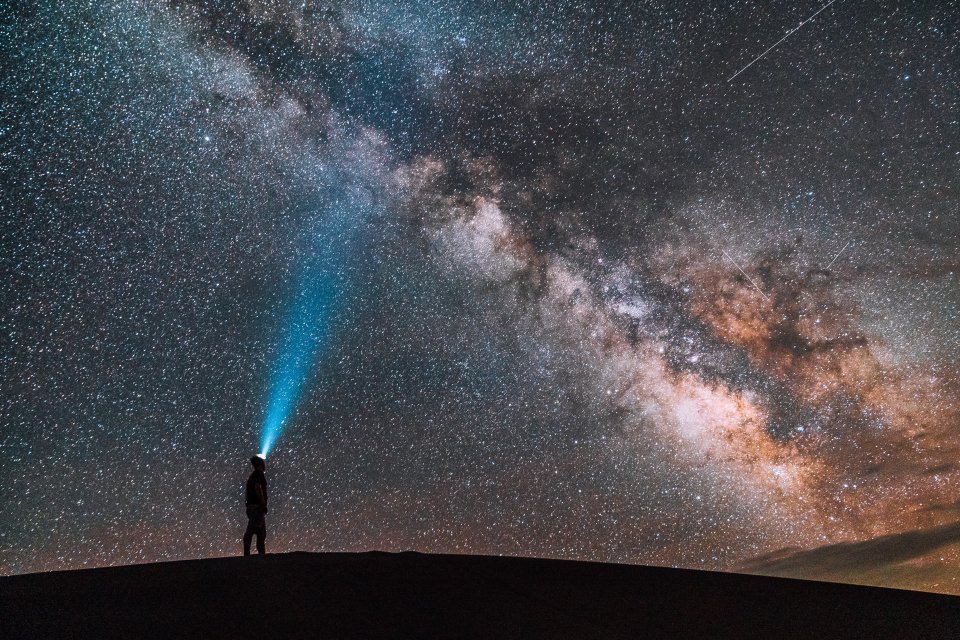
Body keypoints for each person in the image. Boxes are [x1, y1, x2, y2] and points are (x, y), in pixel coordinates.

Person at [243, 455, 268, 556]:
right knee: (254, 530)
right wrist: (263, 503)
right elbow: (258, 487)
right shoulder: (259, 474)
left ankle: (260, 554)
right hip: (256, 507)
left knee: (261, 532)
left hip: (252, 507)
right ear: (261, 465)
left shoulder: (253, 476)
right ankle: (250, 556)